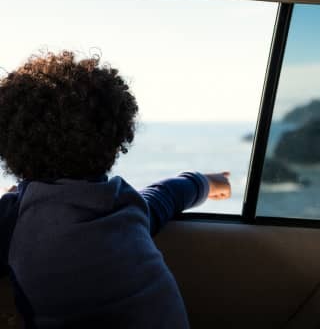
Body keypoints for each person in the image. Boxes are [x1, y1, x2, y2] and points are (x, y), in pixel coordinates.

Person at [0, 51, 231, 328]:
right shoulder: (124, 203)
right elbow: (167, 196)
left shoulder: (14, 218)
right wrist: (209, 182)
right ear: (114, 138)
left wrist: (12, 197)